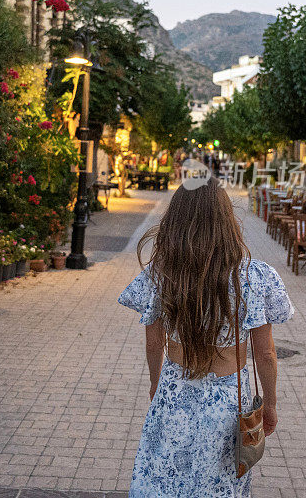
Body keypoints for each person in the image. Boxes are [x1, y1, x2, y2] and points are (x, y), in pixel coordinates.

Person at [118, 178, 294, 497]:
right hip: (229, 403)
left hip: (174, 393)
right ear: (227, 221)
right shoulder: (256, 276)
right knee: (221, 485)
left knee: (165, 481)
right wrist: (269, 404)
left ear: (175, 221)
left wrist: (156, 383)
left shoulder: (161, 274)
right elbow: (266, 354)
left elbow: (154, 343)